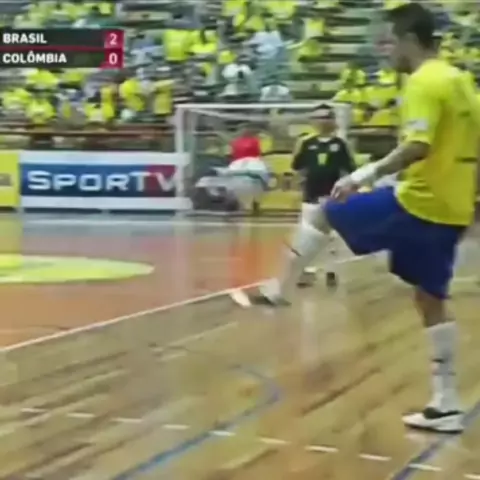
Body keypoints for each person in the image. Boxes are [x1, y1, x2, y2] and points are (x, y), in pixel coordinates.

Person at [232, 2, 480, 433]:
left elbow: (418, 145)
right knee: (430, 299)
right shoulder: (461, 81)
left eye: (389, 42)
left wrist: (363, 175)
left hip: (418, 203)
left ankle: (277, 291)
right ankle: (447, 404)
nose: (385, 51)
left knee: (326, 211)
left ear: (409, 40)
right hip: (453, 207)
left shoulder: (423, 81)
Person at [293, 104, 355, 288]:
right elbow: (298, 167)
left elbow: (349, 170)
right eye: (317, 117)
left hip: (333, 196)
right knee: (307, 235)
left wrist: (346, 192)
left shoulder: (341, 144)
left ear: (333, 120)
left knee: (332, 236)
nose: (321, 121)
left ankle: (331, 271)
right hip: (311, 196)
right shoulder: (306, 143)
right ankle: (306, 272)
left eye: (326, 117)